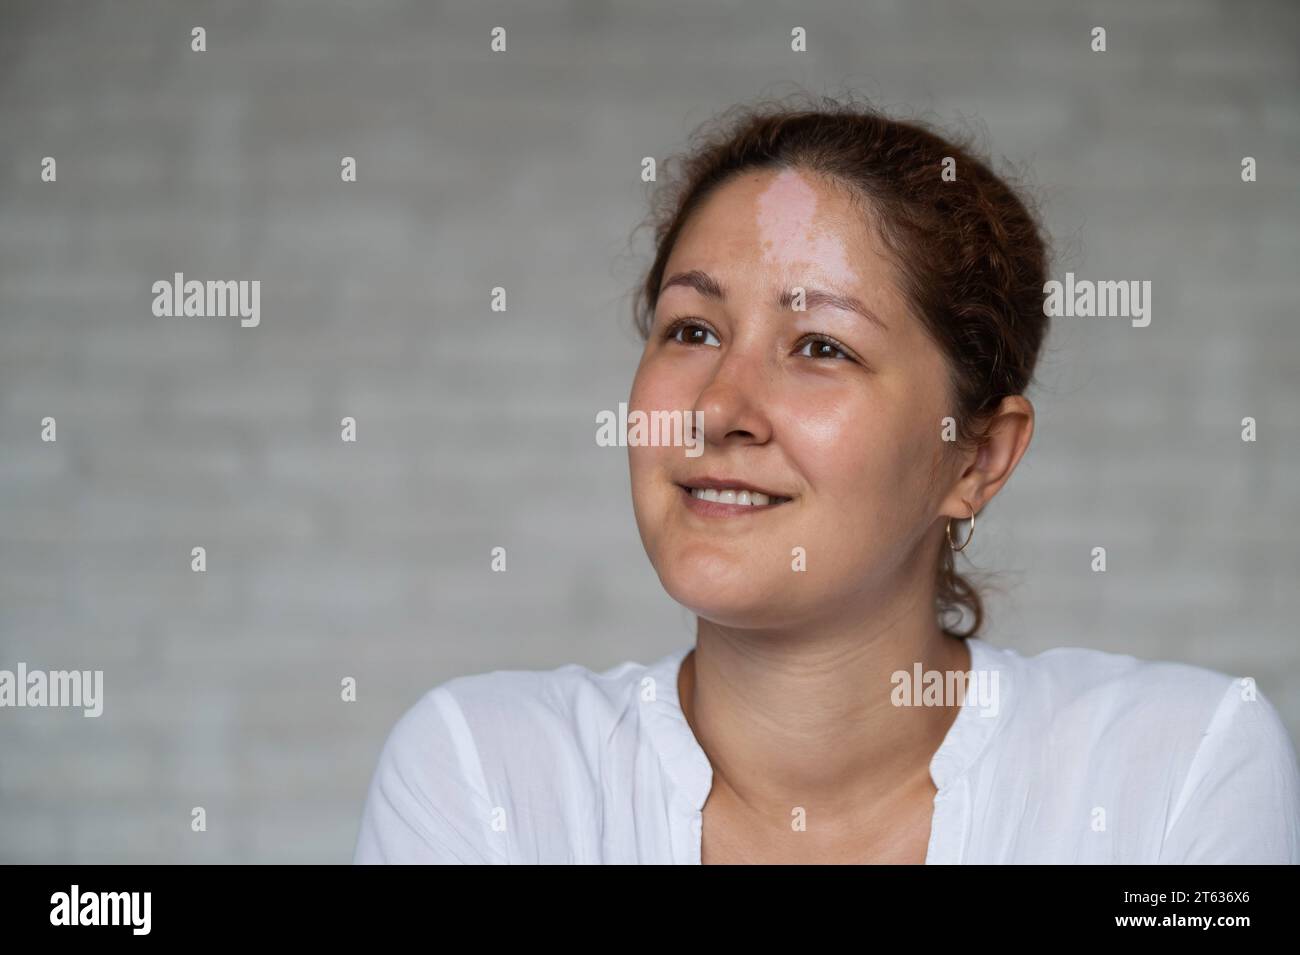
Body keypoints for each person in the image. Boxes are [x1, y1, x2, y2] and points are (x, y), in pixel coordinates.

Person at [354, 95, 1300, 864]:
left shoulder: (1179, 769)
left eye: (820, 346)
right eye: (691, 330)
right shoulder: (484, 776)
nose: (720, 406)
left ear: (977, 458)